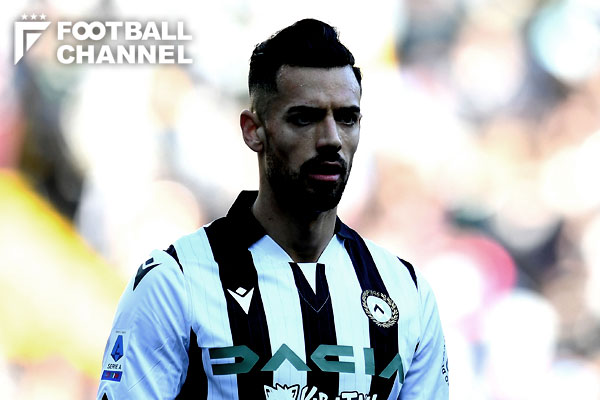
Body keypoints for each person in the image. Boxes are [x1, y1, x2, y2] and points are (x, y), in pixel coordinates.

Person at [97, 18, 449, 400]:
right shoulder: (174, 282)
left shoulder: (405, 292)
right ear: (254, 130)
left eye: (347, 118)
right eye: (305, 118)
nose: (331, 139)